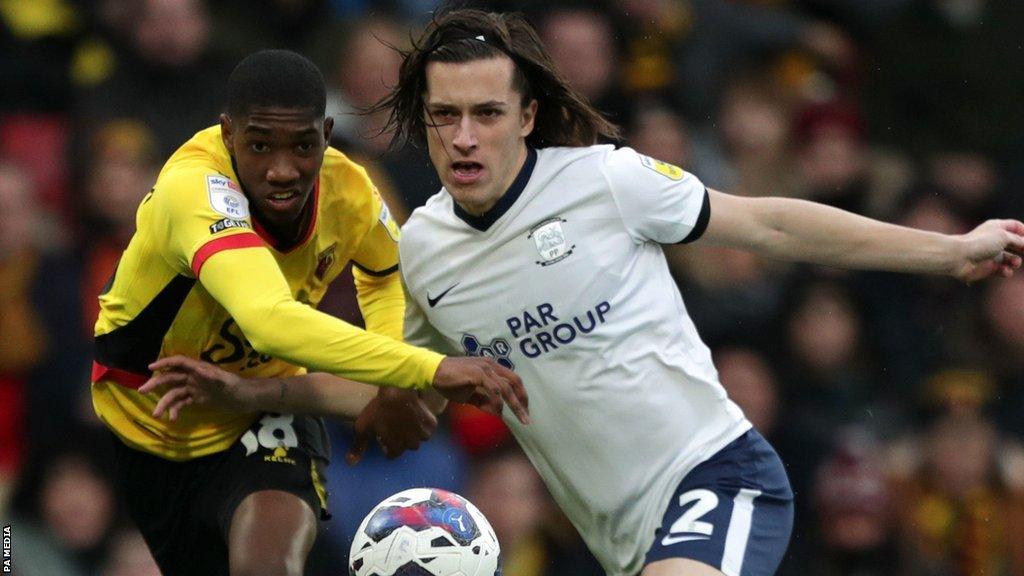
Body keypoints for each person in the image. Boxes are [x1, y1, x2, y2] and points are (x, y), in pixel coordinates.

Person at [143, 11, 1024, 576]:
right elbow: (383, 385)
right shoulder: (421, 252)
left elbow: (771, 225)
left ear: (527, 115)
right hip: (619, 546)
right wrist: (255, 390)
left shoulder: (607, 182)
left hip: (718, 479)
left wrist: (947, 251)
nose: (464, 136)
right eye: (445, 115)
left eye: (487, 112)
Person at [92, 49, 528, 576]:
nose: (282, 170)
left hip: (264, 415)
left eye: (303, 145)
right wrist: (428, 369)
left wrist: (392, 381)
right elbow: (268, 320)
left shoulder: (348, 188)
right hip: (149, 420)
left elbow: (385, 270)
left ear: (325, 132)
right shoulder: (194, 190)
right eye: (259, 145)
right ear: (227, 133)